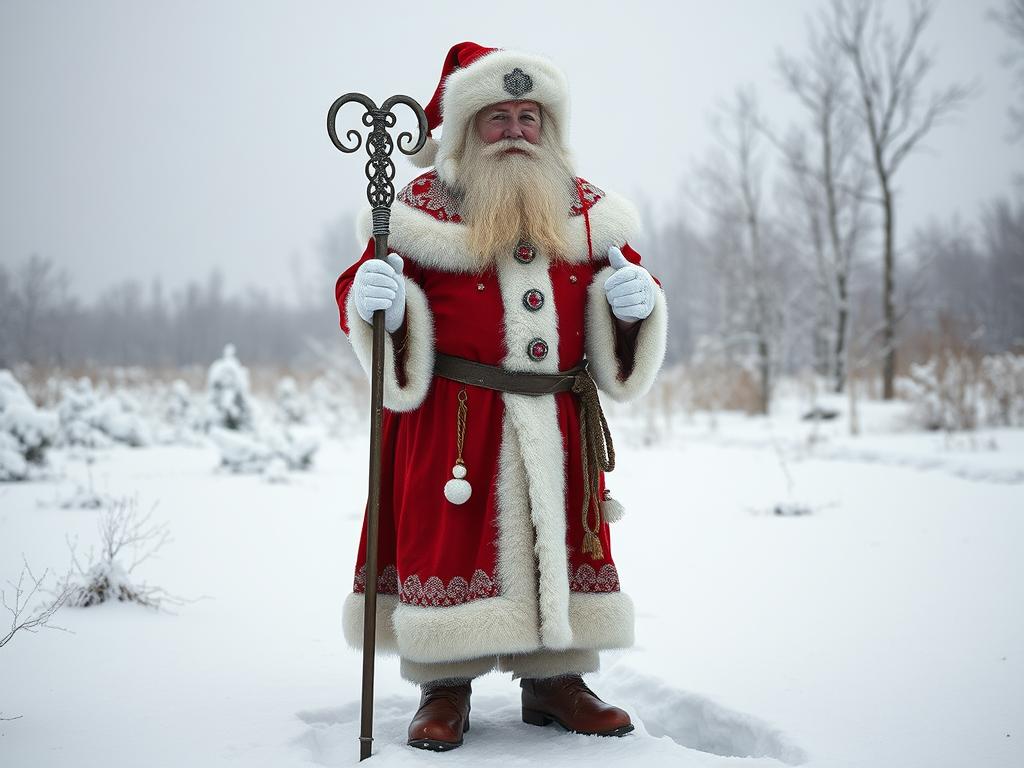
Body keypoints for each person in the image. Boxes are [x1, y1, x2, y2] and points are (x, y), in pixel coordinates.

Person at [334, 41, 668, 751]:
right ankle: (444, 683)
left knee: (563, 542)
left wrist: (636, 304)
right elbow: (362, 286)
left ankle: (555, 681)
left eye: (529, 116)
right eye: (498, 117)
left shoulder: (586, 209)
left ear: (549, 127)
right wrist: (369, 301)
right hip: (453, 421)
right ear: (466, 126)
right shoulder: (418, 209)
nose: (516, 130)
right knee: (448, 545)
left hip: (559, 416)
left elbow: (626, 286)